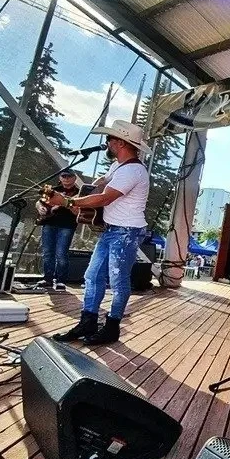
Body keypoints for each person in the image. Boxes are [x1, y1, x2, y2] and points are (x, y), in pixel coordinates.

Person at [46, 120, 151, 345]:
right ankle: (89, 321)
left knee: (118, 280)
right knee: (92, 276)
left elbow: (105, 198)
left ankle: (112, 327)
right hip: (112, 229)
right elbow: (102, 183)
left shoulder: (133, 170)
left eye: (110, 139)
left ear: (121, 142)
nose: (107, 143)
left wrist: (67, 200)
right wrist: (91, 188)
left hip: (126, 232)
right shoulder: (119, 167)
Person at [36, 169, 79, 290]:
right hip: (49, 223)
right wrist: (40, 208)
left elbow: (78, 211)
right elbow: (39, 202)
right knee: (48, 252)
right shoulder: (52, 190)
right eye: (63, 176)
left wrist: (65, 202)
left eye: (69, 176)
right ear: (60, 177)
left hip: (67, 225)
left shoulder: (80, 193)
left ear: (75, 178)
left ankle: (61, 281)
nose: (66, 178)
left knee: (61, 253)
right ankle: (47, 279)